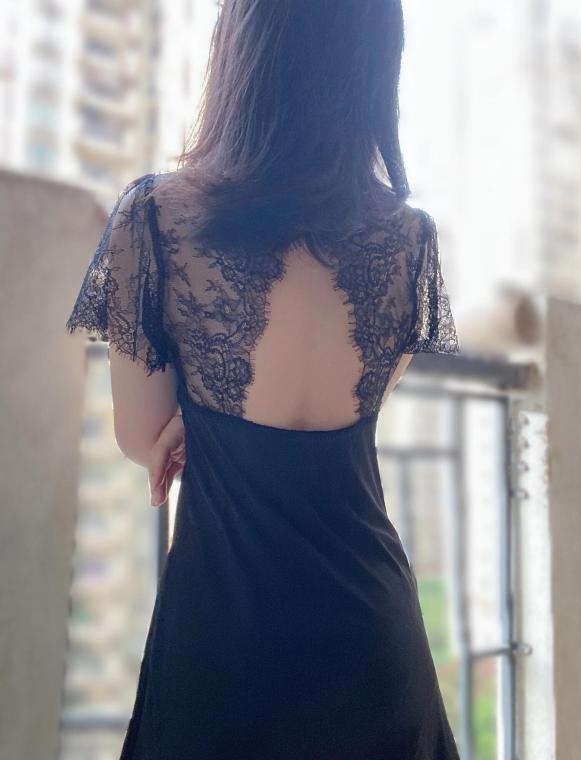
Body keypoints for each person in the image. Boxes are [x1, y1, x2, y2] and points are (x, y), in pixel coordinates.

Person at [65, 1, 461, 758]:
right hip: (374, 640)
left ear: (242, 48)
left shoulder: (157, 217)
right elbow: (367, 393)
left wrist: (197, 415)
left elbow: (142, 436)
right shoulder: (409, 239)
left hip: (225, 646)